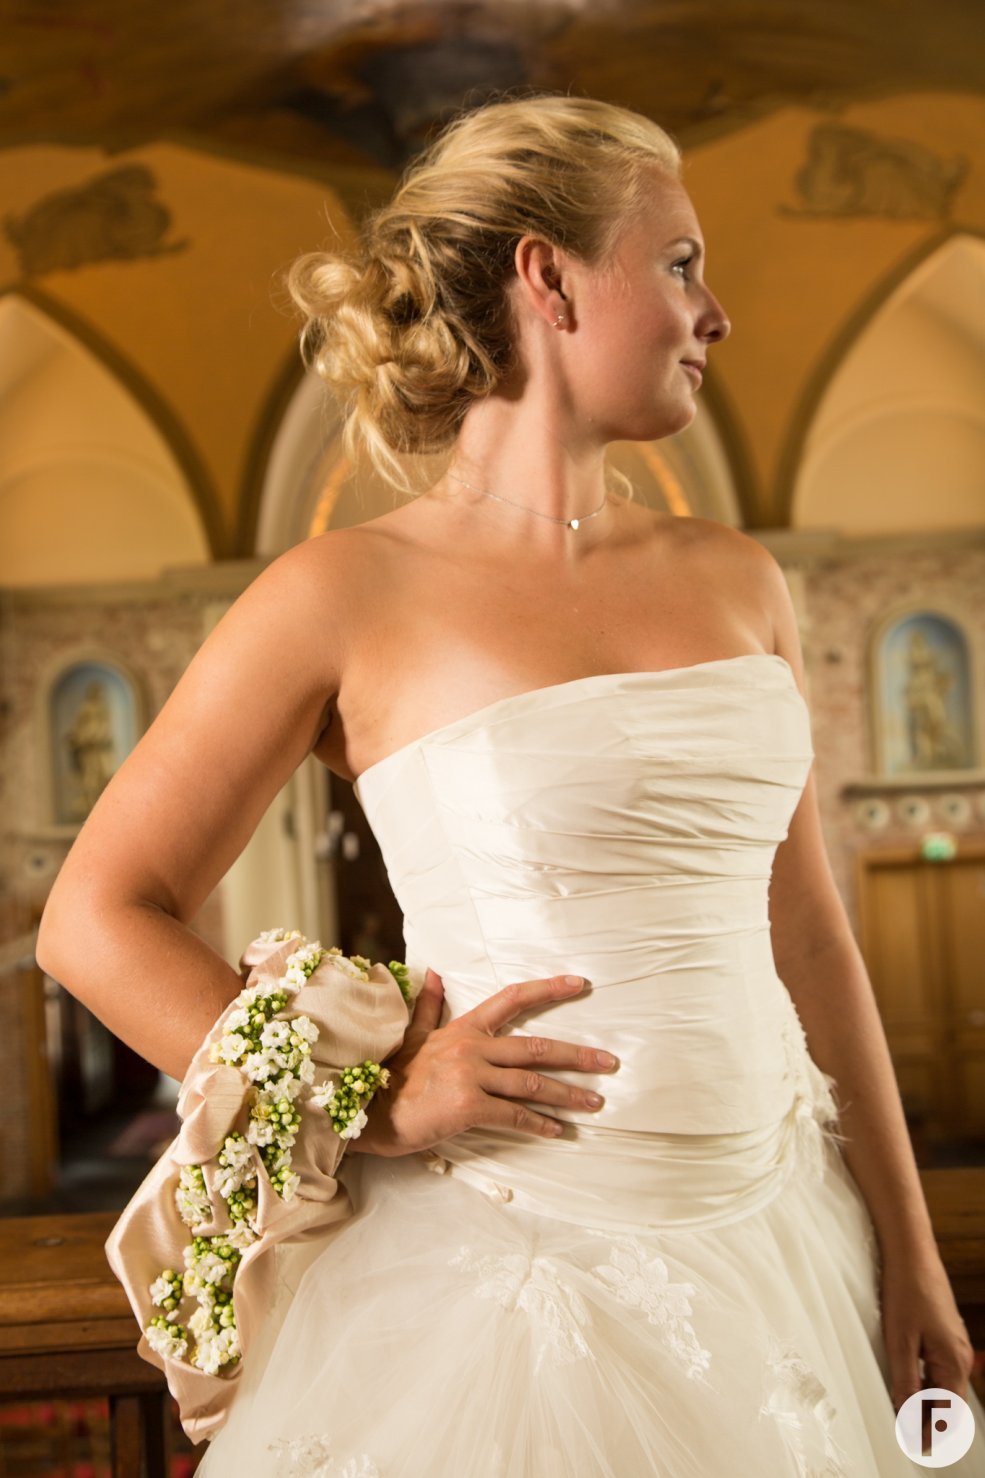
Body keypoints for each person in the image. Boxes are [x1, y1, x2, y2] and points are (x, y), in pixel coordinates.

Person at [37, 91, 985, 1475]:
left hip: (789, 1241)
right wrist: (366, 1097)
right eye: (678, 264)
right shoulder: (339, 592)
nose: (714, 312)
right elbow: (95, 914)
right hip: (504, 1267)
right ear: (546, 278)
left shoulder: (740, 579)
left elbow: (813, 936)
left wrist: (910, 1250)